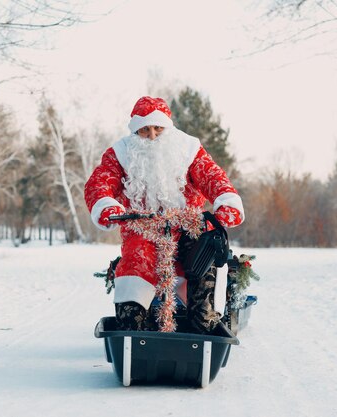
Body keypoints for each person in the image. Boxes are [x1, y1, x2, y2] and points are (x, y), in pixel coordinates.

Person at [84, 96, 245, 333]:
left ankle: (206, 321)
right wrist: (106, 204)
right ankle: (132, 326)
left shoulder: (188, 149)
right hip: (143, 229)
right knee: (136, 263)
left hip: (189, 226)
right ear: (135, 130)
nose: (152, 135)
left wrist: (226, 200)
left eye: (158, 128)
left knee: (205, 257)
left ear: (167, 127)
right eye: (144, 129)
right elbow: (99, 183)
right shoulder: (121, 153)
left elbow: (212, 176)